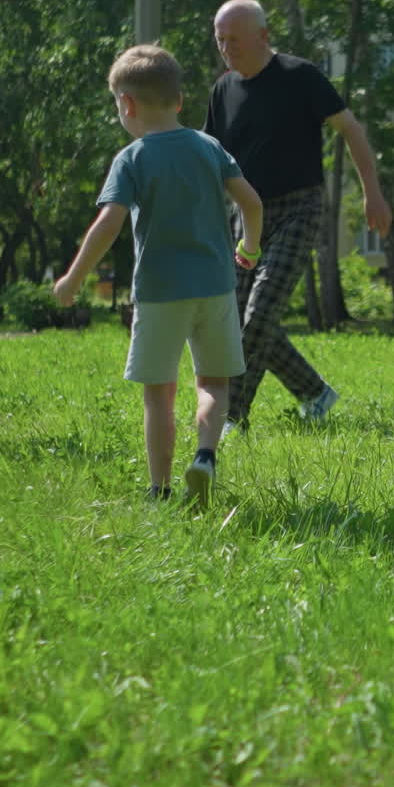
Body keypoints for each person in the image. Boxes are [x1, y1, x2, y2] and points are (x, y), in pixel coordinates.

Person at [53, 44, 263, 507]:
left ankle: (160, 490)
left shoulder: (133, 157)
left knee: (159, 396)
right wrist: (248, 247)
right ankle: (205, 456)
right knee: (213, 384)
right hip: (215, 287)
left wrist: (73, 279)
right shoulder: (210, 148)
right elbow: (251, 202)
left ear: (127, 104)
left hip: (159, 292)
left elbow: (108, 224)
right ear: (179, 100)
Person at [205, 0, 392, 435]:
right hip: (245, 216)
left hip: (297, 208)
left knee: (260, 312)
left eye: (235, 39)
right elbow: (210, 158)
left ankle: (232, 416)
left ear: (264, 36)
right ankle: (315, 392)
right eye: (220, 40)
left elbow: (351, 130)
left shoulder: (300, 76)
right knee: (237, 319)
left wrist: (373, 194)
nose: (226, 48)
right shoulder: (222, 90)